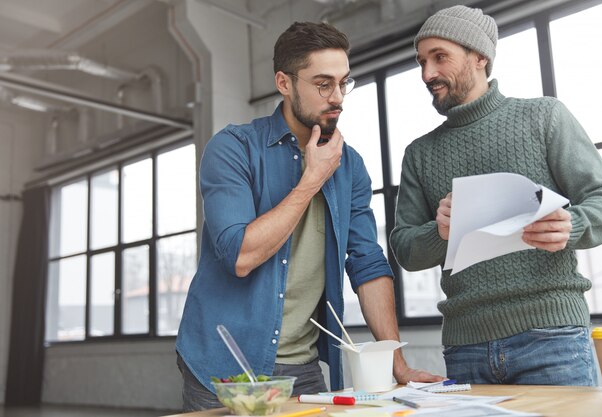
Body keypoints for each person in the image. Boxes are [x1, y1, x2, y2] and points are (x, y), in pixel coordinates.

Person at [175, 21, 442, 412]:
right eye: (322, 84)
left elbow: (367, 263)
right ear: (284, 83)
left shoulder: (349, 166)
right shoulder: (232, 148)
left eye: (343, 83)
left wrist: (397, 364)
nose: (338, 98)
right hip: (224, 370)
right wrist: (311, 179)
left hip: (302, 370)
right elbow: (240, 256)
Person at [390, 5, 602, 386]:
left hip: (553, 339)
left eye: (440, 57)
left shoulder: (544, 117)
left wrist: (573, 224)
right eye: (422, 61)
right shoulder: (420, 153)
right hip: (466, 347)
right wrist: (440, 232)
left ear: (480, 57)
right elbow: (404, 248)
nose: (427, 74)